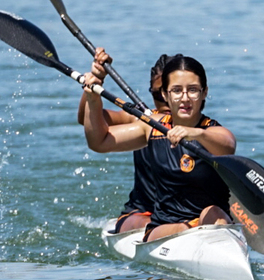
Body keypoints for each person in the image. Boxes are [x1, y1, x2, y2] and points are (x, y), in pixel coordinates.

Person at [82, 54, 234, 242]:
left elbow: (228, 145)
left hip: (210, 220)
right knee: (183, 226)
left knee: (214, 213)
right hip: (165, 227)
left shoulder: (212, 131)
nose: (185, 98)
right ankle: (193, 230)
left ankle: (207, 233)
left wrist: (195, 133)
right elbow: (99, 141)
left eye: (193, 90)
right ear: (165, 94)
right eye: (177, 90)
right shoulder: (152, 127)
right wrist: (93, 99)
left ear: (204, 93)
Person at [76, 48, 176, 235]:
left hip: (183, 213)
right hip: (143, 213)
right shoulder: (141, 120)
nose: (167, 102)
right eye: (158, 95)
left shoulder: (201, 129)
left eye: (173, 92)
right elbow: (86, 119)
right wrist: (95, 86)